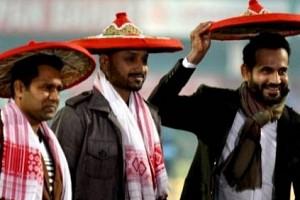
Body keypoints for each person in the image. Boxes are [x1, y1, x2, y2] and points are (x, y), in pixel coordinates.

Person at [148, 22, 300, 200]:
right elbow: (157, 108)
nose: (276, 80)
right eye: (266, 71)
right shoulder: (215, 107)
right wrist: (193, 58)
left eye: (282, 71)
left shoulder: (293, 126)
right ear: (245, 72)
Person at [51, 12, 183, 200]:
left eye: (144, 60)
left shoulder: (151, 117)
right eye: (130, 59)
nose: (140, 68)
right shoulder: (76, 116)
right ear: (105, 63)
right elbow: (57, 187)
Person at [0, 41, 96, 200]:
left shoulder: (50, 141)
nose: (55, 97)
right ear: (19, 89)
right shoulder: (3, 132)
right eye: (47, 88)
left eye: (58, 89)